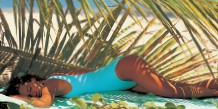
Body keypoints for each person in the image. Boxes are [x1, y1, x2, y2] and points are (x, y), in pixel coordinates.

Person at [3, 55, 218, 108]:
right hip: (122, 74)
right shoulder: (56, 75)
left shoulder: (50, 85)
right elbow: (89, 72)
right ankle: (211, 84)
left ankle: (214, 93)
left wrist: (12, 98)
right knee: (176, 86)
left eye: (30, 88)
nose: (33, 94)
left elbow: (45, 104)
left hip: (124, 71)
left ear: (33, 80)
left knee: (172, 93)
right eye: (30, 94)